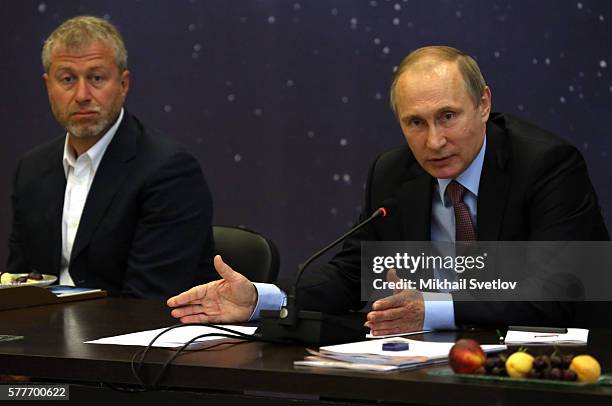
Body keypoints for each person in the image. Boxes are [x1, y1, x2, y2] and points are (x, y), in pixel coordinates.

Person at [167, 46, 609, 332]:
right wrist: (264, 299)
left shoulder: (547, 165)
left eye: (448, 116)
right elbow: (352, 272)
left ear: (484, 104)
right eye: (415, 123)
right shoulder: (393, 173)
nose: (433, 141)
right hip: (429, 368)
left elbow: (556, 294)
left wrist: (431, 308)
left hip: (546, 368)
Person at [7, 16, 216, 298]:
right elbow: (20, 287)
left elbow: (149, 303)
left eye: (96, 78)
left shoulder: (168, 171)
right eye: (67, 79)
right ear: (49, 87)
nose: (82, 95)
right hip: (46, 336)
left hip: (131, 337)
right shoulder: (31, 170)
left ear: (123, 84)